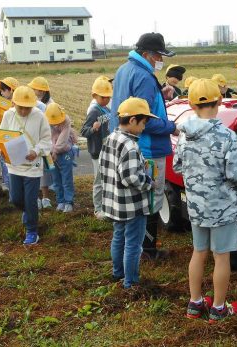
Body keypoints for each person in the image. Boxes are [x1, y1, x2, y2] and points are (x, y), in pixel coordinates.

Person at [173, 79, 237, 322]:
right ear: (219, 101)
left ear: (190, 104)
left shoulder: (185, 134)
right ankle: (219, 308)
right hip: (223, 208)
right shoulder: (227, 136)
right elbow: (236, 176)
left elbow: (178, 167)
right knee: (221, 257)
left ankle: (195, 303)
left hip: (197, 206)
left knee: (198, 252)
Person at [110, 32, 179, 259]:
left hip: (127, 142)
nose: (161, 60)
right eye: (159, 55)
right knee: (150, 198)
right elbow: (144, 120)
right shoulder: (144, 77)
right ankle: (148, 250)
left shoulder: (125, 69)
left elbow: (135, 107)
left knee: (133, 198)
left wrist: (161, 94)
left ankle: (135, 246)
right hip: (148, 148)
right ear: (147, 55)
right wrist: (171, 127)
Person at [101, 97, 157, 288]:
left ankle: (118, 273)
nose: (143, 127)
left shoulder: (111, 139)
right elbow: (131, 178)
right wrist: (150, 182)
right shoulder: (130, 146)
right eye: (143, 123)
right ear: (132, 120)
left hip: (115, 202)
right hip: (132, 205)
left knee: (119, 237)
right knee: (133, 243)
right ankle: (131, 282)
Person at [0, 86, 51, 245]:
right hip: (14, 165)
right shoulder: (8, 115)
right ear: (14, 103)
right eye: (20, 107)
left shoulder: (39, 116)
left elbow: (46, 140)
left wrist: (36, 151)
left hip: (32, 166)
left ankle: (32, 231)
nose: (23, 111)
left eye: (27, 108)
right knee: (15, 198)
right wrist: (2, 149)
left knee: (29, 199)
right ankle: (29, 212)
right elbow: (2, 136)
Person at [81, 77, 113, 219]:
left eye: (108, 97)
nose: (106, 99)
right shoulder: (94, 111)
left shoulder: (106, 108)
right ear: (94, 96)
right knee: (99, 180)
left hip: (107, 149)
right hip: (98, 150)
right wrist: (93, 129)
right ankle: (98, 209)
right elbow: (83, 130)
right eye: (103, 97)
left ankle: (107, 206)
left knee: (108, 179)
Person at [28, 76, 55, 210]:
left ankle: (45, 197)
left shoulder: (48, 105)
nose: (32, 91)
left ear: (42, 91)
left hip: (44, 142)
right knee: (32, 171)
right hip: (31, 143)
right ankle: (36, 198)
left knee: (44, 170)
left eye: (35, 89)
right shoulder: (30, 102)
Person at [45, 103, 76, 213]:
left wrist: (55, 151)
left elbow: (63, 140)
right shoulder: (45, 121)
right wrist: (50, 151)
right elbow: (46, 137)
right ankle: (60, 201)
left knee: (66, 179)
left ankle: (69, 202)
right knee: (56, 179)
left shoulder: (66, 120)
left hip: (65, 152)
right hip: (50, 153)